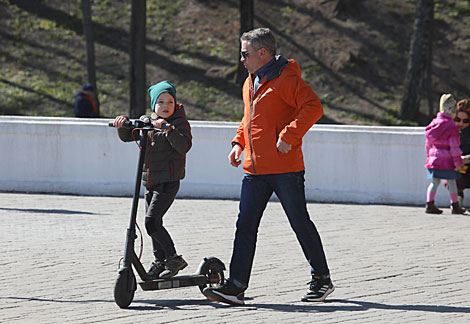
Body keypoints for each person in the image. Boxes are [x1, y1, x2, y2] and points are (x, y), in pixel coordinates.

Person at [202, 28, 334, 305]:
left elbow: (313, 107)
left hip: (285, 168)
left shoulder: (287, 79)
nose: (241, 59)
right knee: (245, 226)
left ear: (263, 53)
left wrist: (288, 136)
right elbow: (249, 119)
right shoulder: (251, 81)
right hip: (254, 169)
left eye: (245, 53)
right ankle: (236, 286)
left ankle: (321, 279)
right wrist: (238, 143)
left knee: (299, 223)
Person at [113, 80, 192, 279]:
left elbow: (184, 146)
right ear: (153, 105)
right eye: (161, 102)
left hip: (168, 181)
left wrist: (168, 129)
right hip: (151, 181)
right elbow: (128, 136)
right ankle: (160, 260)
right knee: (153, 223)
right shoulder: (148, 122)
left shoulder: (178, 123)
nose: (166, 107)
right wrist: (122, 125)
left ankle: (174, 257)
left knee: (151, 221)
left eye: (170, 102)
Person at [424, 94, 465, 214]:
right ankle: (455, 205)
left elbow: (428, 144)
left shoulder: (434, 123)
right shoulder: (451, 125)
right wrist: (458, 162)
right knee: (452, 182)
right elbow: (454, 146)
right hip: (447, 160)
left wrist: (429, 157)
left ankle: (429, 204)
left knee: (434, 182)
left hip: (434, 159)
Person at [454, 99, 470, 206]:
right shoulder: (449, 130)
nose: (461, 123)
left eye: (465, 121)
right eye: (457, 119)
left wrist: (467, 159)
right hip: (457, 167)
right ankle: (457, 197)